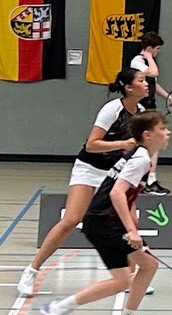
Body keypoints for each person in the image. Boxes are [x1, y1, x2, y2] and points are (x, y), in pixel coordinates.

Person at [17, 69, 147, 297]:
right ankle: (32, 270)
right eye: (141, 80)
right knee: (71, 219)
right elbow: (91, 145)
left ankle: (129, 275)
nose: (146, 84)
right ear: (129, 88)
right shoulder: (112, 110)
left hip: (114, 172)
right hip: (89, 167)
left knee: (131, 221)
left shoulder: (142, 113)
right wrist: (121, 144)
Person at [40, 111, 171, 315]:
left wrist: (131, 222)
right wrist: (131, 230)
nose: (168, 132)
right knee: (122, 281)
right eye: (162, 128)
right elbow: (117, 193)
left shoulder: (139, 155)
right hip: (103, 222)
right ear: (147, 135)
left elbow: (124, 192)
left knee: (149, 265)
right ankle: (57, 309)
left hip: (107, 220)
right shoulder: (140, 159)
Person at [128, 32, 172, 195]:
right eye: (157, 48)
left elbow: (153, 85)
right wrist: (149, 56)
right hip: (139, 107)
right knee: (146, 143)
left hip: (149, 106)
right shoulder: (137, 61)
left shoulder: (149, 63)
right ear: (149, 48)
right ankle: (146, 181)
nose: (158, 51)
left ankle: (149, 180)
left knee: (151, 144)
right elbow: (153, 73)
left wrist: (170, 98)